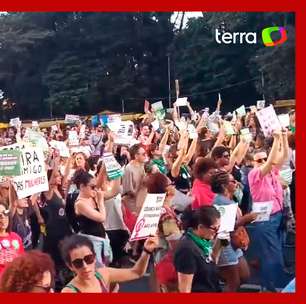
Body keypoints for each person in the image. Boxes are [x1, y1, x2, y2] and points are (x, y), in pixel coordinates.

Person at [248, 130, 290, 291]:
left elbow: (283, 157)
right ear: (253, 162)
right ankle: (268, 288)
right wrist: (277, 139)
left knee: (274, 254)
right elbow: (272, 159)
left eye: (264, 159)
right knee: (272, 257)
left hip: (277, 216)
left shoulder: (272, 172)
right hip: (265, 219)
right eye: (259, 160)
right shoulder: (254, 175)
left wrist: (284, 137)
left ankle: (270, 286)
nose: (263, 162)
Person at [61, 234, 159, 293]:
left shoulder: (103, 274)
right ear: (70, 266)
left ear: (94, 257)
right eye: (78, 263)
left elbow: (136, 272)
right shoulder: (69, 292)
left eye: (88, 259)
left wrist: (147, 251)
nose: (85, 266)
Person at [211, 170, 256, 291]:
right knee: (233, 282)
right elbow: (225, 229)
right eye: (232, 181)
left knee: (244, 275)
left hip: (232, 243)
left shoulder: (228, 199)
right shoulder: (221, 202)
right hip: (223, 244)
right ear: (224, 185)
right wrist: (246, 219)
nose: (236, 183)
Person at [174, 206, 222, 292]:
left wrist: (220, 244)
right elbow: (184, 290)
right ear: (200, 227)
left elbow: (211, 264)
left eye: (219, 228)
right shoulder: (187, 250)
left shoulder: (203, 242)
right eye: (214, 228)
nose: (217, 232)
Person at [0, 202, 24, 276]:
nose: (3, 217)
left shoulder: (16, 238)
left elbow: (22, 262)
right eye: (0, 215)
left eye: (5, 213)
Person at [122, 144, 146, 214]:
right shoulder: (129, 169)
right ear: (136, 156)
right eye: (143, 154)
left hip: (141, 200)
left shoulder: (142, 165)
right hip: (132, 204)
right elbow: (129, 191)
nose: (145, 156)